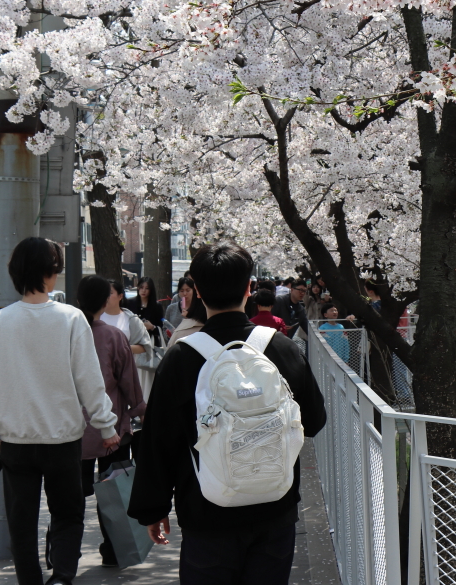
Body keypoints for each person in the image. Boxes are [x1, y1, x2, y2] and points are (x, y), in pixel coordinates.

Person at [129, 241, 326, 584]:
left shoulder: (181, 357)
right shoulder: (279, 347)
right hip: (274, 509)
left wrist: (154, 506)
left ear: (198, 292)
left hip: (207, 512)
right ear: (249, 288)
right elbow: (314, 421)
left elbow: (159, 439)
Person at [0, 237, 120, 585]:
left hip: (15, 440)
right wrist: (106, 427)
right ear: (51, 273)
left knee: (21, 523)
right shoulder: (70, 319)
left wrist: (14, 390)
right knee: (67, 515)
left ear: (15, 273)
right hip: (63, 438)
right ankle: (62, 577)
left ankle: (30, 581)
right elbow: (89, 381)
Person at [77, 276, 146, 567]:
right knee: (114, 492)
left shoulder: (68, 333)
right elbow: (128, 381)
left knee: (70, 497)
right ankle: (113, 550)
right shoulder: (113, 337)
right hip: (111, 429)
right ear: (105, 301)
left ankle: (61, 553)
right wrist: (139, 409)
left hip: (72, 431)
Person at [125, 277, 167, 343]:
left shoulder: (156, 306)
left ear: (151, 290)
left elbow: (161, 329)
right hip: (132, 341)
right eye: (141, 287)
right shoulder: (129, 303)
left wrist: (152, 327)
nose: (143, 290)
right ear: (138, 288)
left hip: (150, 342)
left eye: (147, 288)